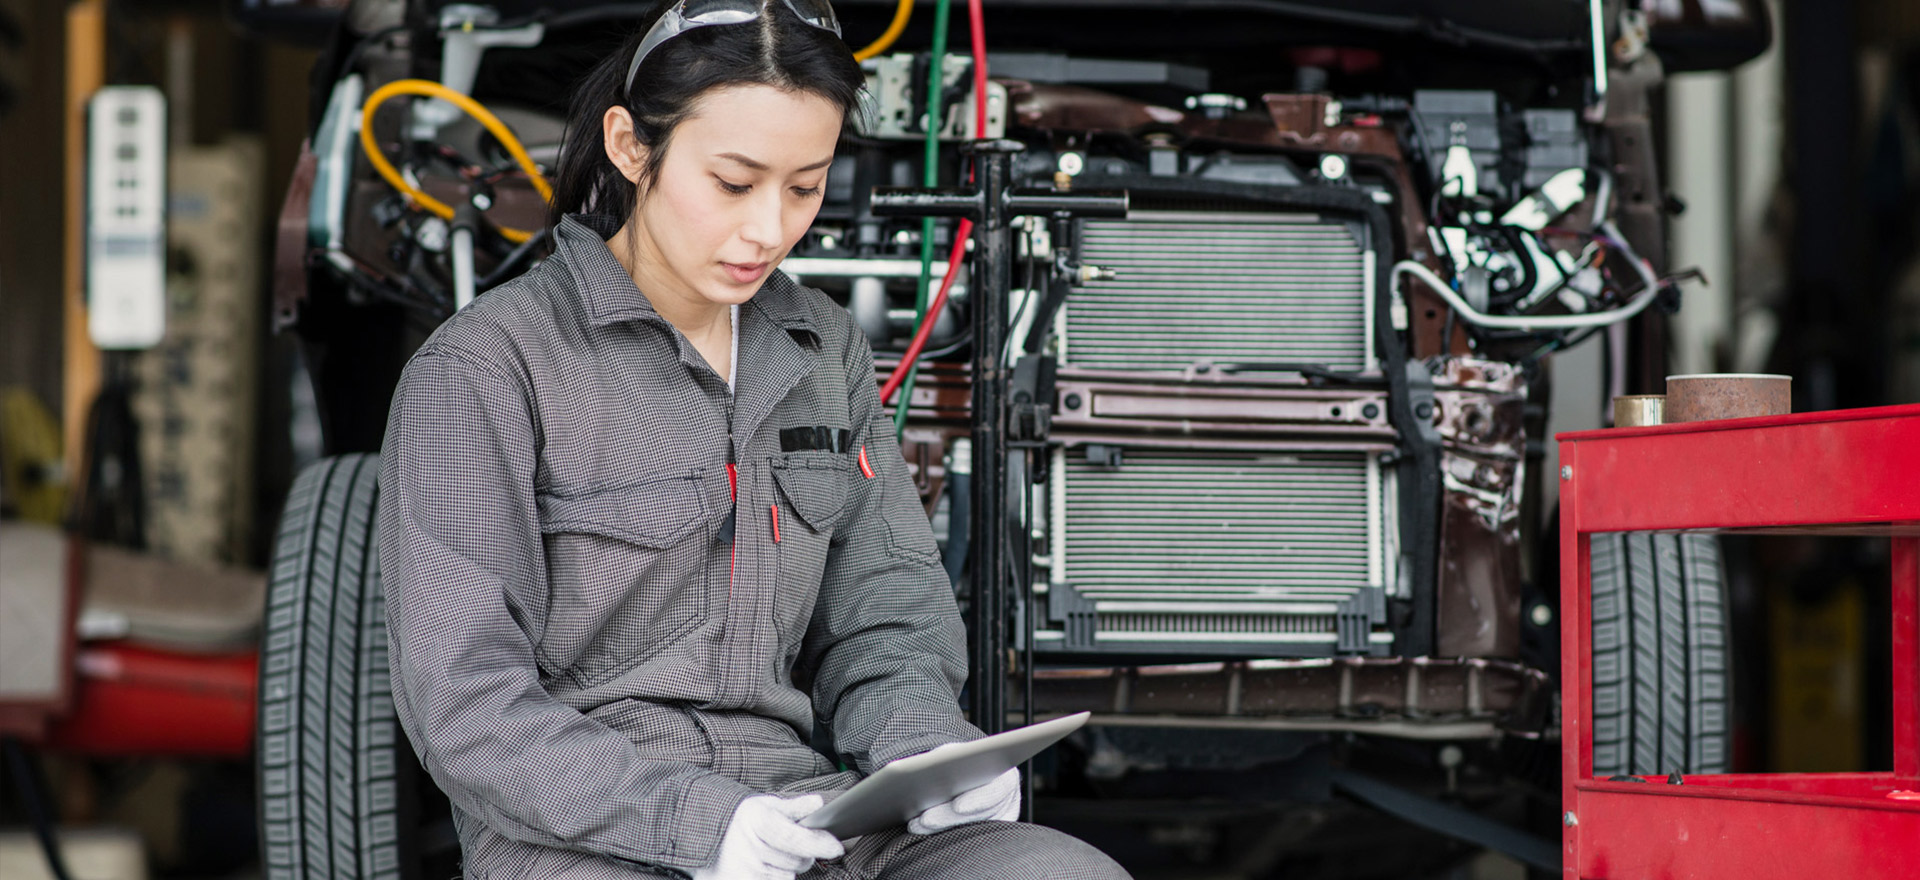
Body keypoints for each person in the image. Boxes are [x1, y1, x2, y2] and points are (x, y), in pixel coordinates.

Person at [375, 1, 1134, 877]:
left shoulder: (822, 347)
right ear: (631, 147)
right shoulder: (484, 368)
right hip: (589, 840)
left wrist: (926, 754)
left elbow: (883, 613)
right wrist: (699, 825)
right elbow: (466, 705)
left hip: (818, 815)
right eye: (734, 184)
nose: (769, 229)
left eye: (804, 187)